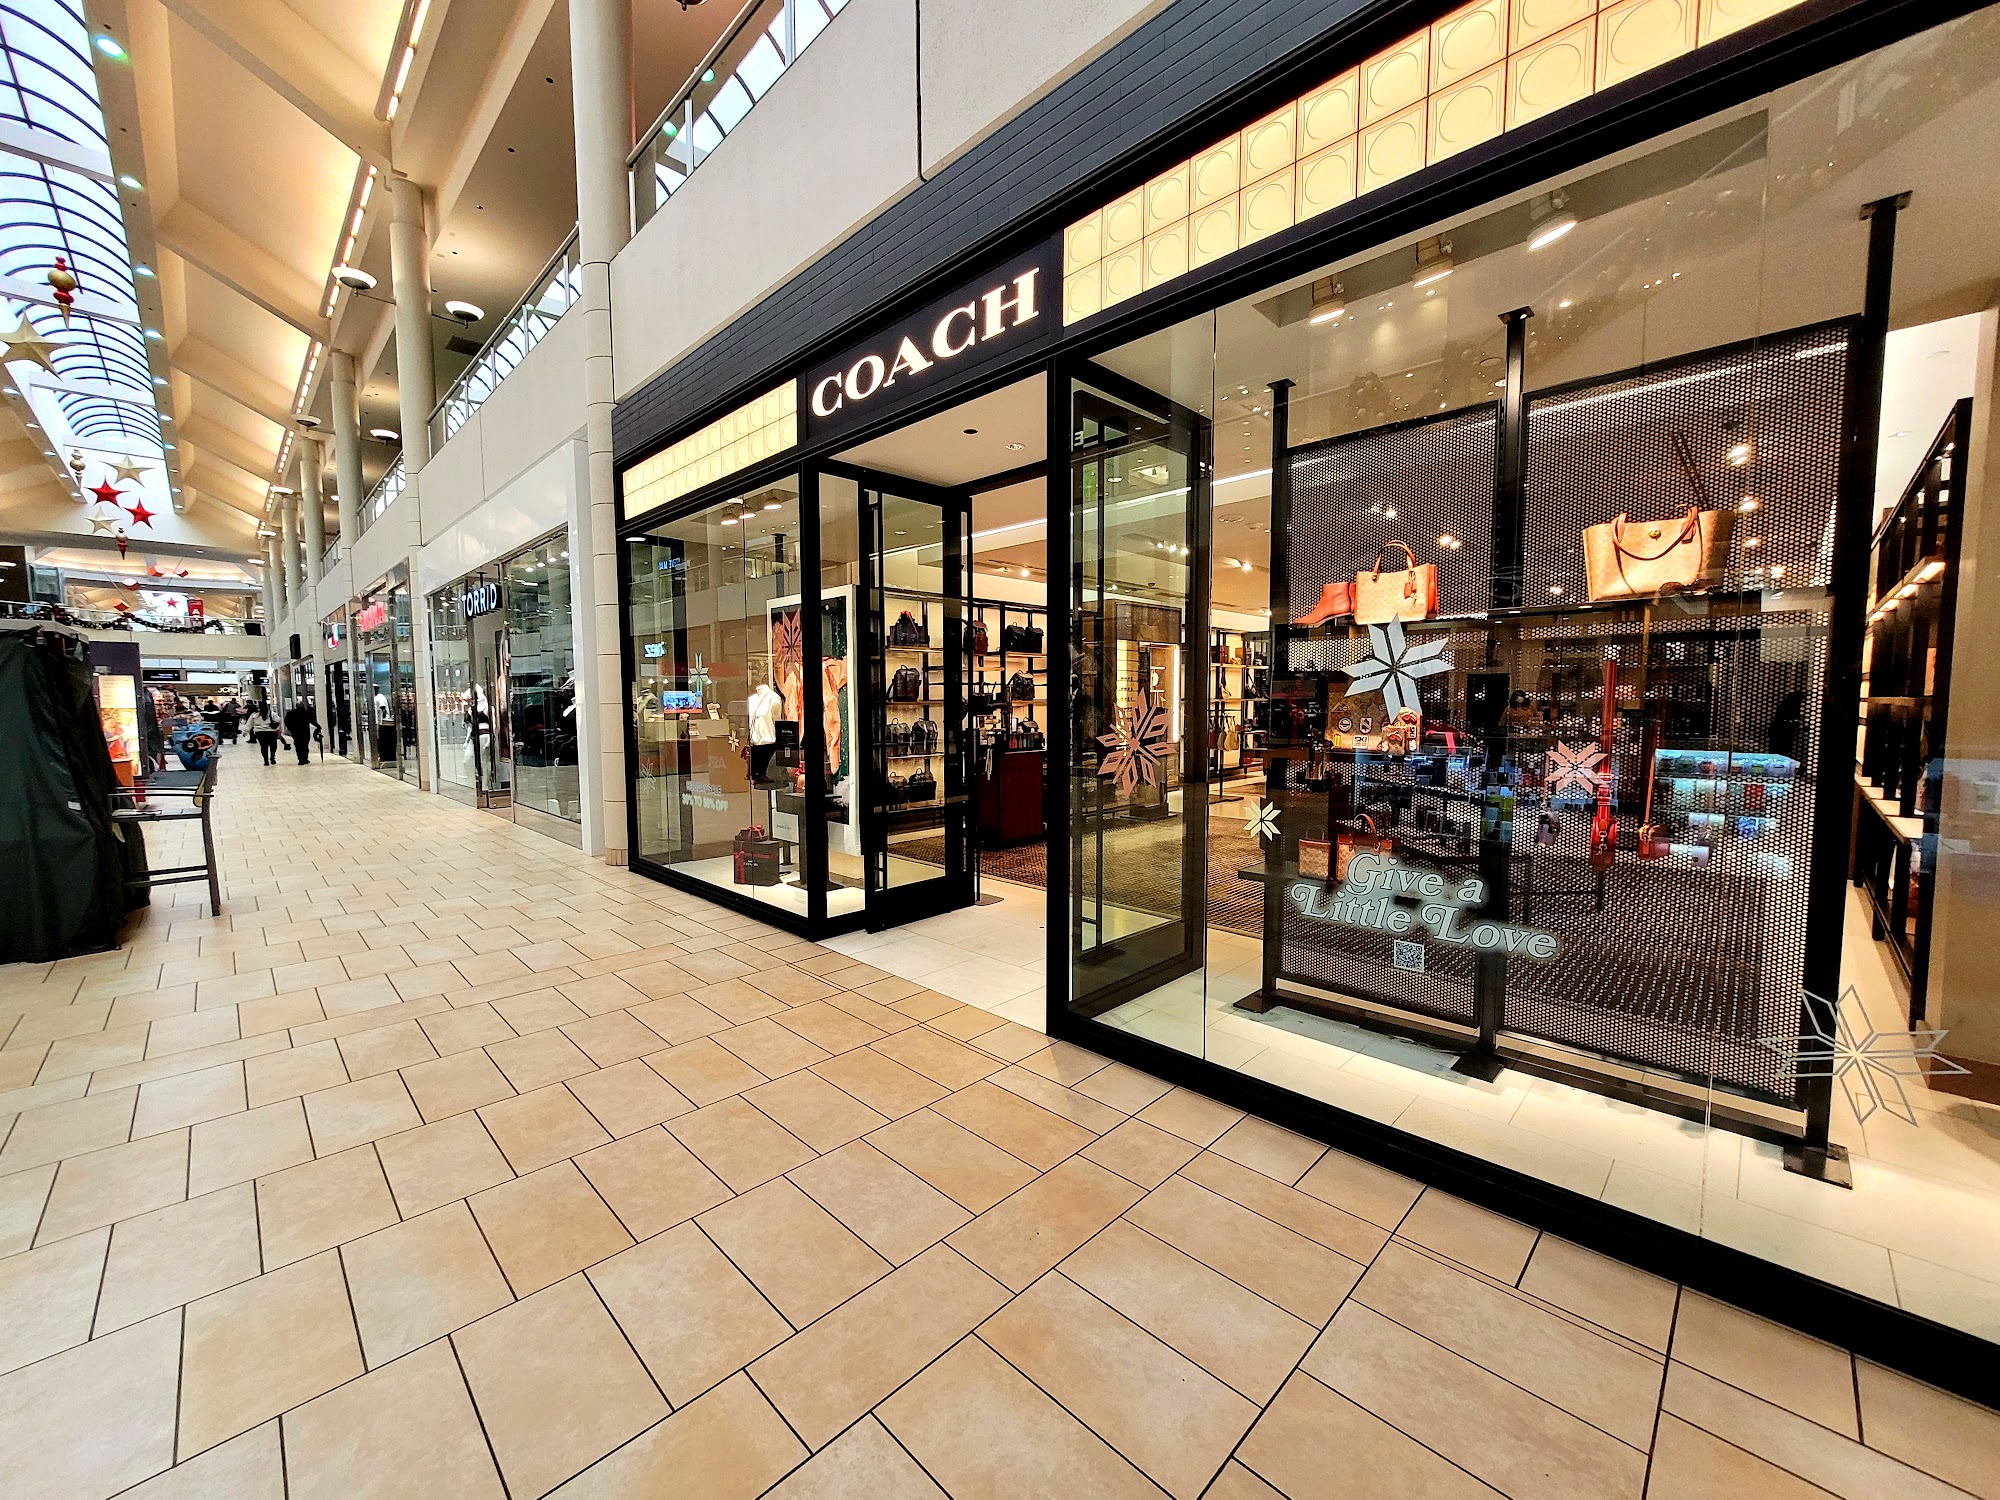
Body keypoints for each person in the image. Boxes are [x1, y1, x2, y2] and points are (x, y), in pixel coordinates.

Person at [282, 699, 319, 766]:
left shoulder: (291, 713)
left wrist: (290, 729)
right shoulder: (306, 713)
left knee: (298, 746)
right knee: (305, 745)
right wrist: (318, 726)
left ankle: (300, 759)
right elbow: (312, 721)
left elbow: (286, 721)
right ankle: (305, 758)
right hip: (305, 731)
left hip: (296, 732)